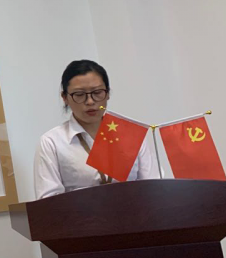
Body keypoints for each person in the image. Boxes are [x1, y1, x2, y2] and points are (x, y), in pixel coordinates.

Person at [34, 60, 160, 199]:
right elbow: (48, 202)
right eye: (79, 94)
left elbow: (155, 188)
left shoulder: (131, 135)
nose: (90, 101)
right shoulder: (52, 142)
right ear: (65, 98)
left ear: (108, 93)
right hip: (80, 213)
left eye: (97, 92)